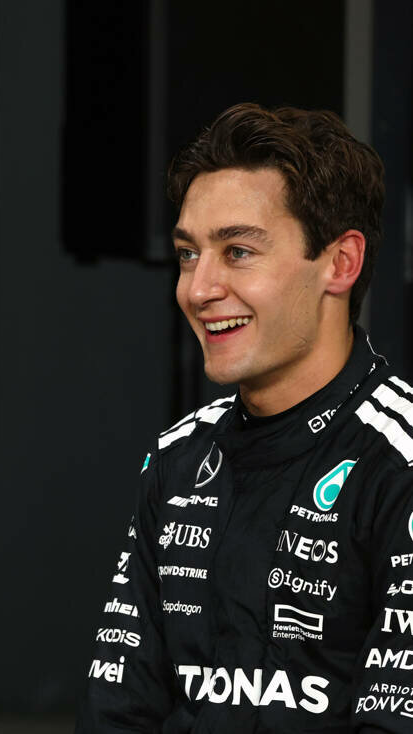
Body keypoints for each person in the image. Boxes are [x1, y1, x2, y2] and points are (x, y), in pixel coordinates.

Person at [75, 103, 413, 731]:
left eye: (236, 251)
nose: (198, 289)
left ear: (340, 263)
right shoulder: (177, 460)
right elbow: (116, 713)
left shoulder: (399, 466)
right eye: (187, 254)